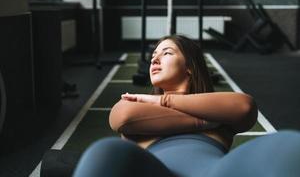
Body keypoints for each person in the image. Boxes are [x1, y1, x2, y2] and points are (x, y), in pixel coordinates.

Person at [73, 35, 300, 177]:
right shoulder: (215, 114)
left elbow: (245, 106)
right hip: (155, 173)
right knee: (105, 151)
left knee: (288, 143)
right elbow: (123, 116)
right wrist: (203, 122)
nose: (154, 59)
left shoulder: (212, 104)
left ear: (189, 67)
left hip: (213, 172)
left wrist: (162, 100)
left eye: (167, 53)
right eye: (154, 55)